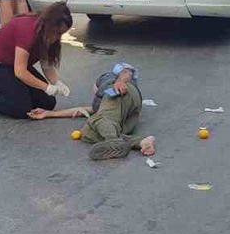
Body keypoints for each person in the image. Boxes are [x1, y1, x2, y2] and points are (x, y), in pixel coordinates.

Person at [0, 1, 72, 120]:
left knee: (47, 102)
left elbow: (46, 64)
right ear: (50, 24)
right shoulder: (28, 30)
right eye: (57, 33)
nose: (58, 37)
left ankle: (10, 97)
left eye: (61, 34)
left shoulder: (46, 33)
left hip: (15, 65)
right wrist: (46, 87)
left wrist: (56, 82)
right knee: (21, 109)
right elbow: (20, 72)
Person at [28, 62, 157, 160]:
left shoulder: (108, 79)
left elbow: (127, 71)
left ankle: (113, 140)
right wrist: (49, 114)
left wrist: (119, 81)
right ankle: (141, 142)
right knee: (87, 133)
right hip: (129, 111)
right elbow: (83, 110)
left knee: (99, 119)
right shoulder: (104, 103)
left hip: (123, 90)